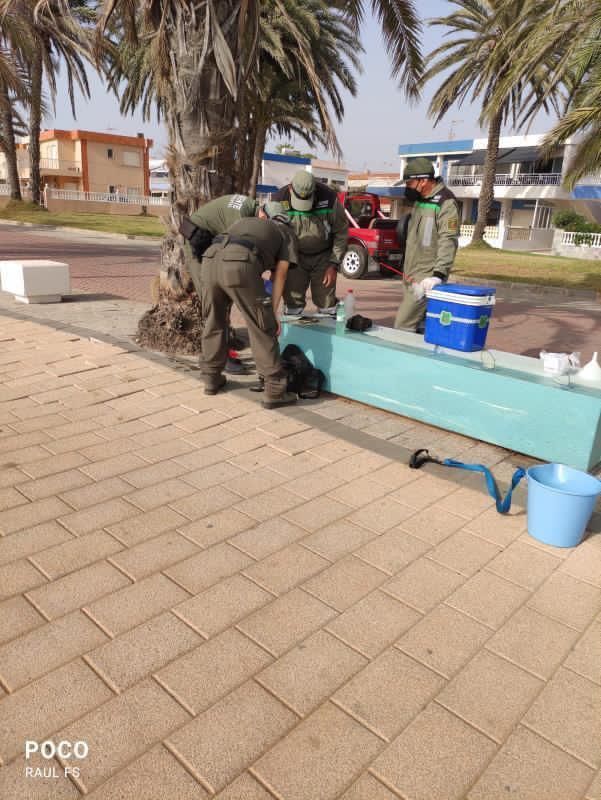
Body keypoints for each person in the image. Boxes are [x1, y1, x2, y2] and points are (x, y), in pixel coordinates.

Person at [193, 202, 298, 408]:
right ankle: (275, 390)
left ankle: (211, 378)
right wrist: (271, 312)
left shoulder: (244, 221)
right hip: (239, 263)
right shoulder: (286, 232)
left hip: (210, 258)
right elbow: (281, 274)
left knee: (214, 320)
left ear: (263, 215)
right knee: (261, 325)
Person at [182, 194, 258, 372]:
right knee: (213, 302)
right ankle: (214, 358)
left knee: (221, 300)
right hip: (197, 245)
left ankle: (221, 351)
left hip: (207, 242)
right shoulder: (240, 218)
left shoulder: (249, 206)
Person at [394, 157, 460, 332]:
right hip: (411, 273)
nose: (407, 188)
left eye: (409, 183)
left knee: (402, 325)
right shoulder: (420, 200)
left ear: (423, 181)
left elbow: (449, 239)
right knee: (422, 327)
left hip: (426, 278)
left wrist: (438, 274)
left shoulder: (445, 202)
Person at [273, 171, 348, 316]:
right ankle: (292, 336)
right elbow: (272, 235)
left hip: (323, 258)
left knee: (326, 303)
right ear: (290, 188)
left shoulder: (330, 198)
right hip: (294, 258)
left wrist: (333, 265)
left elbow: (341, 232)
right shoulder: (278, 200)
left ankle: (327, 336)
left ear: (314, 190)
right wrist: (274, 267)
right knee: (292, 303)